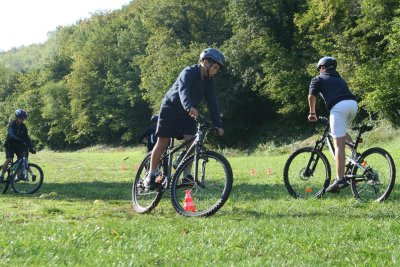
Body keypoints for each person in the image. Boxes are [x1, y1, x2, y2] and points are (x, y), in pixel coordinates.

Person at [144, 47, 225, 190]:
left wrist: (218, 125)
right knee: (163, 140)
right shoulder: (189, 72)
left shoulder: (208, 82)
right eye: (215, 67)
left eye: (218, 69)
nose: (216, 71)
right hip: (171, 108)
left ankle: (186, 175)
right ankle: (151, 174)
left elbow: (213, 104)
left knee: (192, 140)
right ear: (205, 62)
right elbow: (183, 91)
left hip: (188, 113)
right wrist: (189, 106)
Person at [307, 56, 358, 192]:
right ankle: (355, 155)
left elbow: (312, 95)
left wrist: (312, 113)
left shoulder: (318, 79)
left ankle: (340, 179)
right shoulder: (340, 79)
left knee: (338, 145)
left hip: (339, 108)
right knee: (340, 133)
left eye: (319, 69)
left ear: (322, 68)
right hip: (353, 106)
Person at [0, 109, 36, 183]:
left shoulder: (23, 126)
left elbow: (27, 137)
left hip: (19, 145)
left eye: (23, 118)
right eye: (21, 118)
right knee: (9, 159)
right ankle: (1, 175)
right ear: (17, 117)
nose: (22, 120)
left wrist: (31, 147)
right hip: (10, 144)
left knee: (21, 159)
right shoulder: (12, 124)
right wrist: (17, 139)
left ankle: (18, 176)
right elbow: (11, 134)